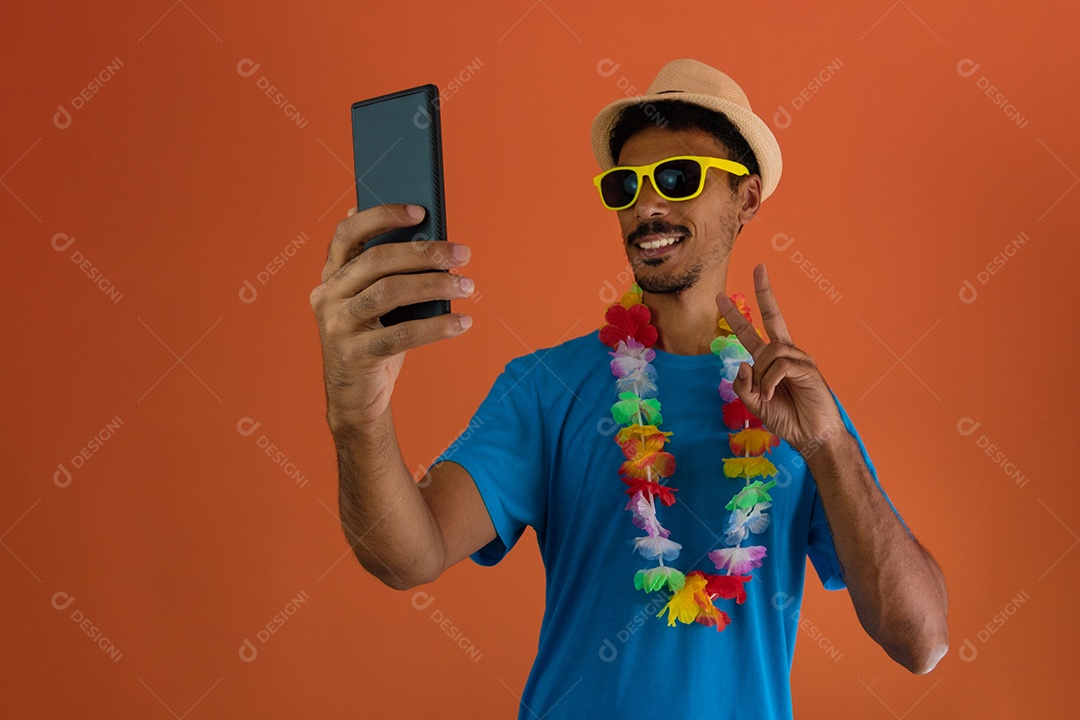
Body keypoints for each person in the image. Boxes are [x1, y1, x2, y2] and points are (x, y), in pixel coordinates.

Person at [309, 58, 949, 720]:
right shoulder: (545, 388)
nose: (647, 206)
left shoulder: (799, 409)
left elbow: (921, 640)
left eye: (678, 177)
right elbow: (407, 556)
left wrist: (828, 447)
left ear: (747, 199)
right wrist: (357, 417)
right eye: (625, 185)